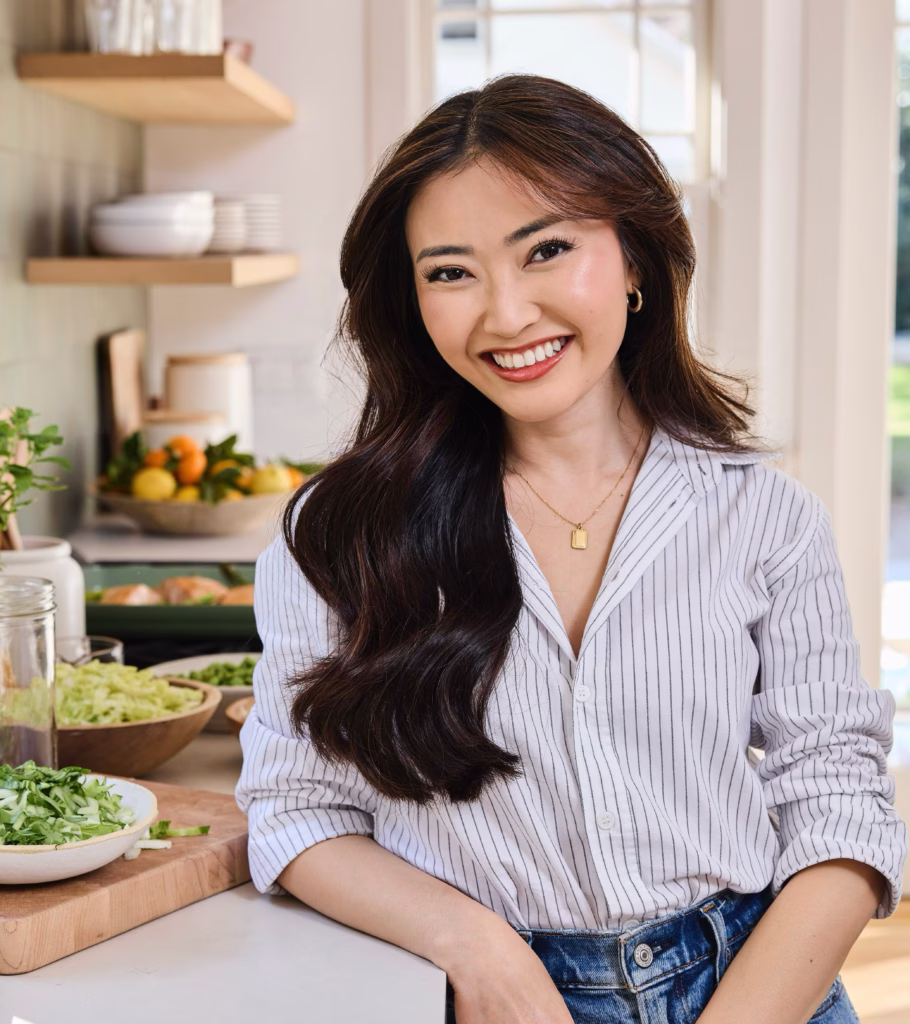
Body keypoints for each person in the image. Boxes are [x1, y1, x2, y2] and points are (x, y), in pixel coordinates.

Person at [234, 74, 907, 1024]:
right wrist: (477, 947)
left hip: (759, 987)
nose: (506, 316)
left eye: (547, 249)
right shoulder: (336, 536)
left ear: (635, 261)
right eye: (451, 272)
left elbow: (838, 803)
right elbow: (297, 812)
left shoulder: (766, 518)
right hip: (488, 997)